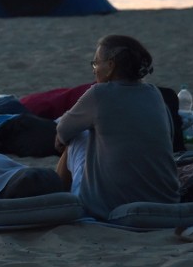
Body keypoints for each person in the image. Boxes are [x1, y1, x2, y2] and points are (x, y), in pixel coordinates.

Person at [54, 34, 180, 220]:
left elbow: (63, 131)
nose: (94, 70)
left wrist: (60, 140)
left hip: (110, 205)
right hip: (166, 200)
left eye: (96, 64)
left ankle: (57, 199)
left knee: (76, 138)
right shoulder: (154, 93)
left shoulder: (99, 93)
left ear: (111, 65)